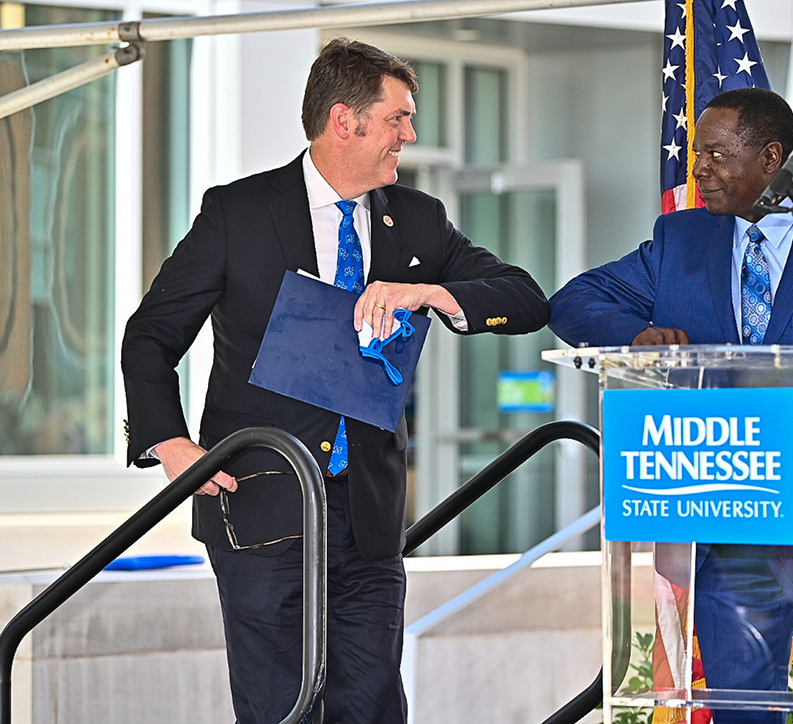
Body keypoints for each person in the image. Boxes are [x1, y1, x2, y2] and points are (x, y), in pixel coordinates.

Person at [121, 37, 549, 724]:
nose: (409, 135)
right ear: (344, 120)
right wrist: (170, 444)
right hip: (260, 508)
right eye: (397, 119)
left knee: (374, 708)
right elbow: (149, 337)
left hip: (369, 522)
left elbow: (526, 298)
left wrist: (427, 292)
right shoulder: (237, 212)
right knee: (280, 710)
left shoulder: (416, 218)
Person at [547, 87, 793, 723]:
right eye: (697, 154)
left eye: (716, 155)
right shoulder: (681, 240)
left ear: (771, 157)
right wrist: (637, 337)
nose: (698, 170)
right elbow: (573, 301)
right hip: (726, 516)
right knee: (742, 709)